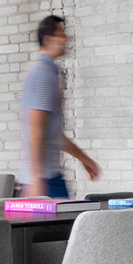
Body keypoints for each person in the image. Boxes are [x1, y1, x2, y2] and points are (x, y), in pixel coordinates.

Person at [18, 14, 100, 198]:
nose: (66, 38)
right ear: (48, 40)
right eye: (61, 34)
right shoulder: (43, 73)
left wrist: (84, 159)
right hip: (43, 180)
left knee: (69, 225)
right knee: (68, 226)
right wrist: (37, 179)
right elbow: (35, 127)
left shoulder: (48, 72)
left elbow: (52, 134)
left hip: (49, 177)